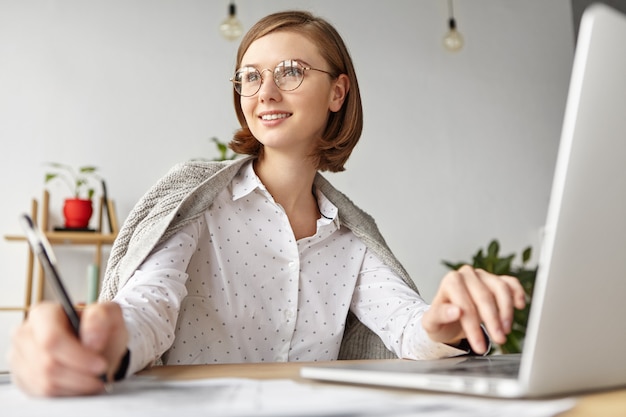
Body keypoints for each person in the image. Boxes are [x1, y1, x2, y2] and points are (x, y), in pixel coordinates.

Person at [8, 10, 526, 397]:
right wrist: (105, 335)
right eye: (251, 76)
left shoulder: (350, 236)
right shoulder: (198, 205)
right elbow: (150, 309)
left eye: (291, 71)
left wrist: (448, 321)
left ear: (337, 93)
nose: (265, 92)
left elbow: (410, 329)